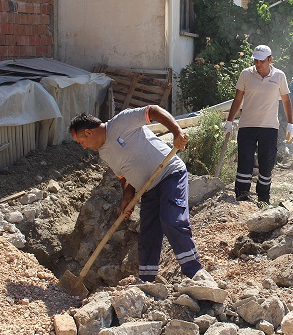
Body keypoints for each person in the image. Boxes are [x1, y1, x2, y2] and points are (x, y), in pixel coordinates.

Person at [68, 106, 202, 280]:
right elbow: (125, 177)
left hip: (169, 175)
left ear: (88, 132)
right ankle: (147, 282)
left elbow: (153, 111)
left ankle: (195, 272)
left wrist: (176, 132)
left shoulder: (122, 121)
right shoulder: (104, 153)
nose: (83, 147)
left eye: (81, 142)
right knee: (147, 236)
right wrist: (126, 197)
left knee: (171, 219)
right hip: (148, 189)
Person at [224, 45, 293, 207]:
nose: (258, 63)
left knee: (266, 163)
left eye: (261, 60)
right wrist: (229, 121)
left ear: (270, 59)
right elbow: (237, 99)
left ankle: (263, 197)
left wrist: (290, 124)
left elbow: (286, 100)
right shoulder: (246, 75)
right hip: (247, 126)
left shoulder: (279, 76)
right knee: (245, 162)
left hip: (269, 128)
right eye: (255, 60)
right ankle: (242, 195)